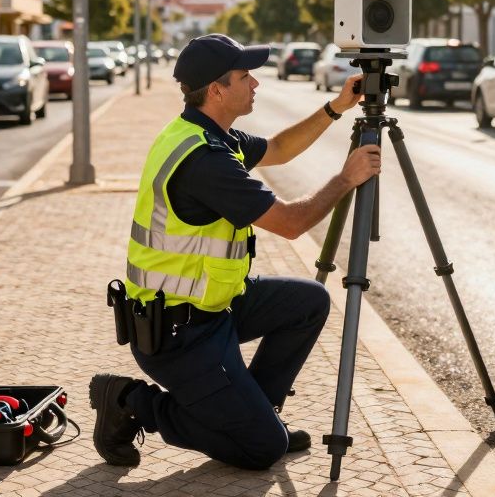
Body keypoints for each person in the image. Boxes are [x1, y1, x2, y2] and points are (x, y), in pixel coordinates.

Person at [90, 33, 381, 470]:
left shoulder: (209, 133)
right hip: (177, 334)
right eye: (246, 76)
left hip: (215, 307)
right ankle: (130, 400)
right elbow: (290, 223)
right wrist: (345, 179)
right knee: (262, 450)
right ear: (217, 89)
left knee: (309, 302)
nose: (256, 84)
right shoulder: (203, 159)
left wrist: (335, 108)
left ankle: (255, 415)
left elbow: (279, 149)